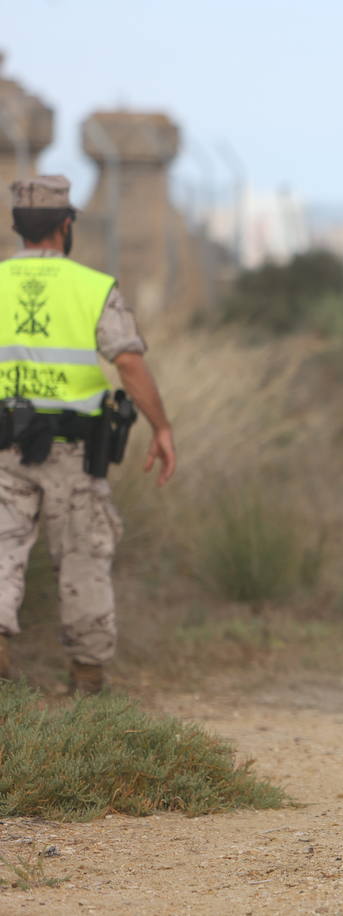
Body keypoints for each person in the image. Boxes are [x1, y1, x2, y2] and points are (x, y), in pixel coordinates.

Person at [0, 176, 176, 693]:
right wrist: (162, 428)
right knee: (82, 557)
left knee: (1, 548)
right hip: (72, 453)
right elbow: (128, 362)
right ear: (66, 224)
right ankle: (87, 677)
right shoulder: (93, 287)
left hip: (3, 448)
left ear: (16, 228)